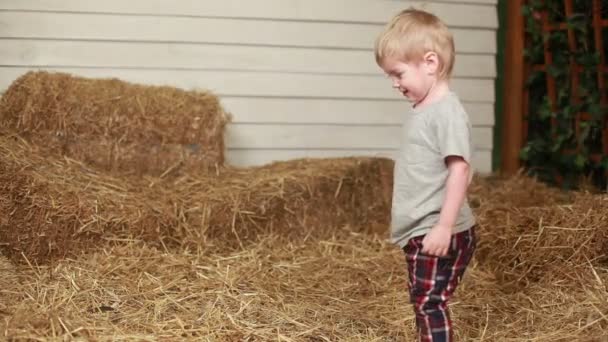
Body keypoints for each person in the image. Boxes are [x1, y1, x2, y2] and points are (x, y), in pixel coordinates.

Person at [374, 8, 478, 342]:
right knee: (428, 300)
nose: (394, 83)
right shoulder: (427, 110)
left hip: (434, 230)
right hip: (426, 228)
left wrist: (444, 227)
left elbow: (461, 169)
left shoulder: (446, 113)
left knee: (429, 302)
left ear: (430, 63)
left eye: (399, 73)